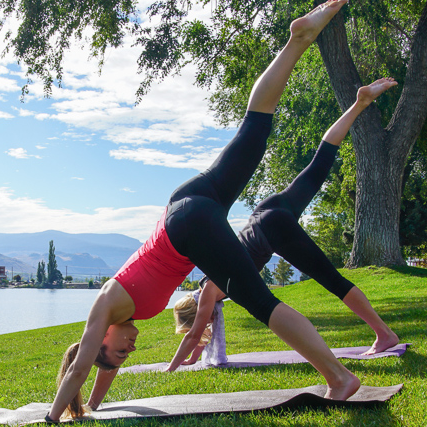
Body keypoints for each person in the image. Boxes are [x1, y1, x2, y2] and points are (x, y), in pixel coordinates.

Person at [49, 0, 359, 422]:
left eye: (121, 349)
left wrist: (53, 417)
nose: (130, 349)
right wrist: (92, 408)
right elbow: (100, 372)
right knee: (253, 131)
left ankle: (339, 378)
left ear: (102, 337)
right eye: (127, 354)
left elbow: (81, 367)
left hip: (186, 228)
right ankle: (297, 41)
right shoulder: (114, 317)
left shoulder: (102, 308)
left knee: (260, 301)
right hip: (182, 205)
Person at [169, 78, 400, 370]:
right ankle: (360, 103)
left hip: (271, 229)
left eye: (203, 325)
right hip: (266, 211)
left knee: (332, 280)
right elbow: (196, 335)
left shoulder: (209, 292)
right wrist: (193, 351)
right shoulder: (213, 281)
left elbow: (193, 335)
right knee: (320, 163)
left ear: (198, 314)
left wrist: (174, 365)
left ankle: (384, 334)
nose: (207, 327)